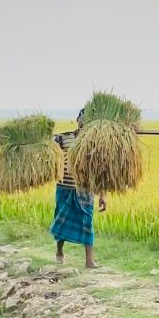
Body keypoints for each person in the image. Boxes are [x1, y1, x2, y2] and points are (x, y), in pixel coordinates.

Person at [51, 109, 106, 268]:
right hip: (65, 187)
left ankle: (89, 261)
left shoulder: (95, 143)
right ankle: (59, 251)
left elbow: (100, 171)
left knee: (87, 222)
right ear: (78, 120)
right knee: (61, 220)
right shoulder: (64, 138)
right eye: (82, 118)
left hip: (85, 190)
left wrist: (102, 195)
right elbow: (49, 149)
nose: (84, 122)